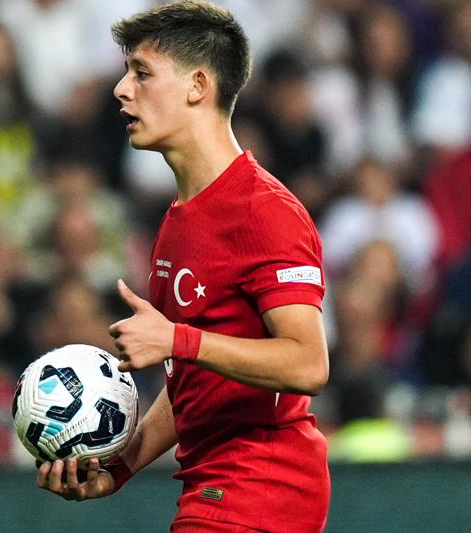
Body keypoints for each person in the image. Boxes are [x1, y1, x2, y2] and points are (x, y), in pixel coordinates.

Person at [36, 2, 331, 532]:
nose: (121, 89)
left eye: (142, 73)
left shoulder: (263, 211)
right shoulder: (177, 220)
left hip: (264, 485)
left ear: (198, 86)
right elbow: (193, 383)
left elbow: (308, 363)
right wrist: (119, 467)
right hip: (215, 486)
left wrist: (177, 339)